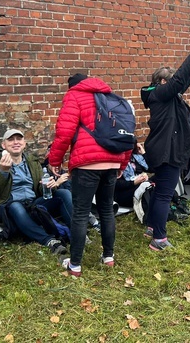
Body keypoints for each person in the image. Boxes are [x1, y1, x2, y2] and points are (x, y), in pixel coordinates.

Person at [49, 74, 133, 275]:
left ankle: (75, 265)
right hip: (112, 161)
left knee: (80, 212)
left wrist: (55, 160)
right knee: (106, 209)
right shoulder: (112, 98)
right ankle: (108, 257)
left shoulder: (74, 96)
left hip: (87, 163)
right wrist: (122, 162)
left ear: (73, 86)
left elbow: (64, 132)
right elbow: (128, 132)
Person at [140, 35, 190, 251]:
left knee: (159, 192)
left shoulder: (164, 97)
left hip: (165, 150)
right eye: (172, 81)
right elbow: (178, 83)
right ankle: (159, 239)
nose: (177, 85)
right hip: (167, 152)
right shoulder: (160, 94)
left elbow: (180, 84)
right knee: (165, 194)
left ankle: (151, 226)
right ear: (163, 82)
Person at [0, 129, 73, 256]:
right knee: (16, 206)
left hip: (32, 203)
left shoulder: (32, 161)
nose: (15, 142)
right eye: (11, 140)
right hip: (8, 206)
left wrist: (50, 185)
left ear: (24, 143)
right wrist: (3, 171)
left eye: (19, 139)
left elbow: (40, 188)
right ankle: (49, 241)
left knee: (63, 194)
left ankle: (78, 232)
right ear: (3, 145)